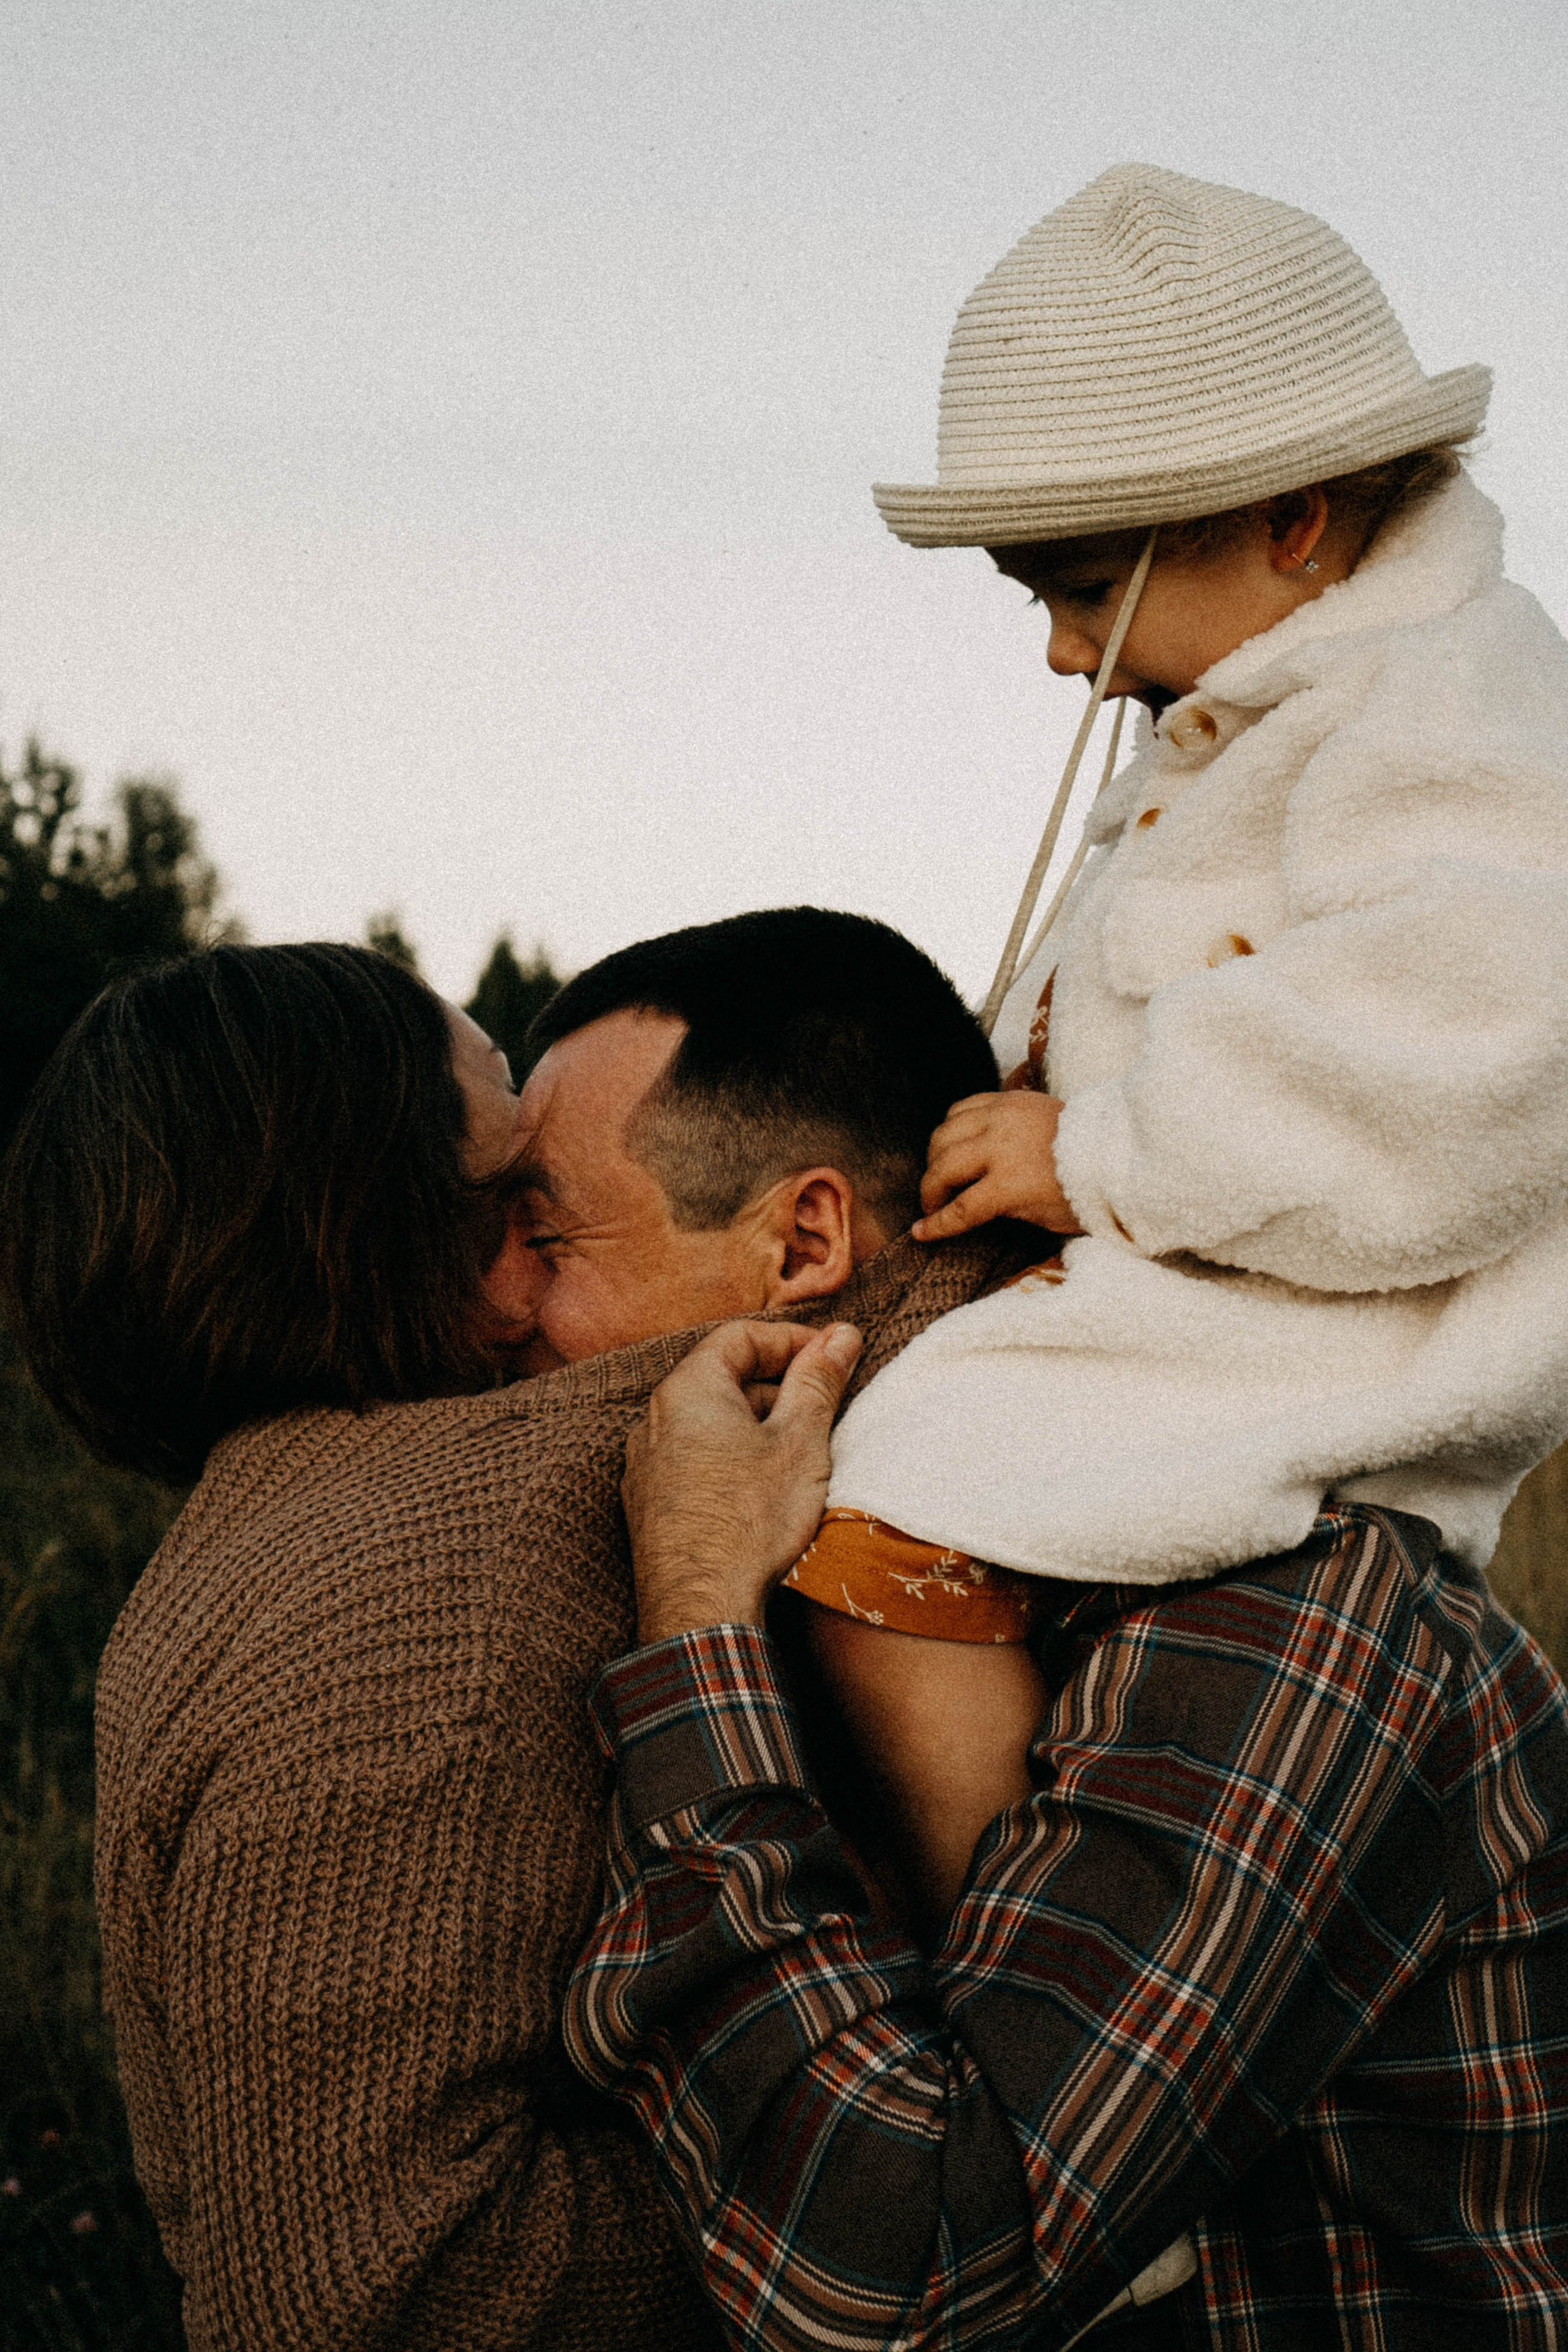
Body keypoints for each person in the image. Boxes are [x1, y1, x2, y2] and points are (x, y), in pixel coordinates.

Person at [564, 166, 1568, 2347]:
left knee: (893, 1510)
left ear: (1293, 518)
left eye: (1085, 592)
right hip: (1209, 1307)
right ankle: (1023, 1973)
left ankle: (979, 2003)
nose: (1053, 653)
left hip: (1320, 1342)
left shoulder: (1456, 713)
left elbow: (1482, 1053)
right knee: (904, 1497)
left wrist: (1098, 1147)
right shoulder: (1263, 709)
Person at [0, 914, 1036, 2350]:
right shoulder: (458, 1561)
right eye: (517, 1213)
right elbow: (372, 2299)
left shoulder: (239, 1546)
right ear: (386, 1227)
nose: (529, 1285)